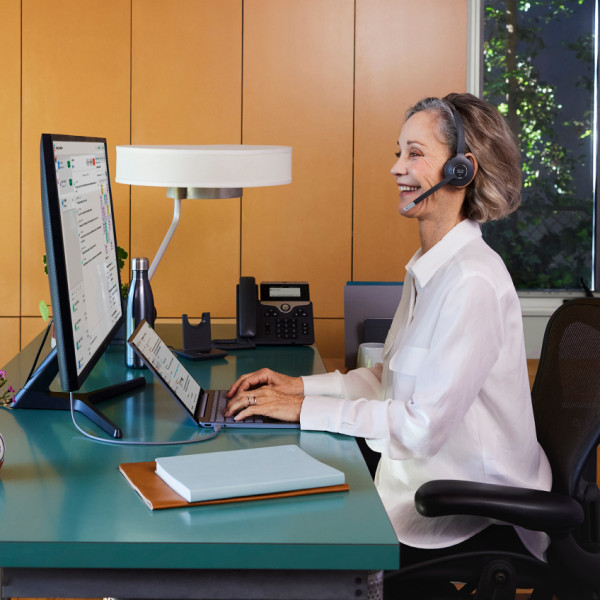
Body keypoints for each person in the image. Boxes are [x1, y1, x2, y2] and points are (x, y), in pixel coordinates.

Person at [224, 92, 552, 567]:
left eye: (414, 154)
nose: (397, 168)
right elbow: (386, 381)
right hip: (413, 486)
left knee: (289, 540)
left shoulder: (472, 281)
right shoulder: (429, 268)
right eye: (398, 153)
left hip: (465, 511)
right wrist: (298, 388)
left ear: (462, 170)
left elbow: (418, 429)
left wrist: (303, 410)